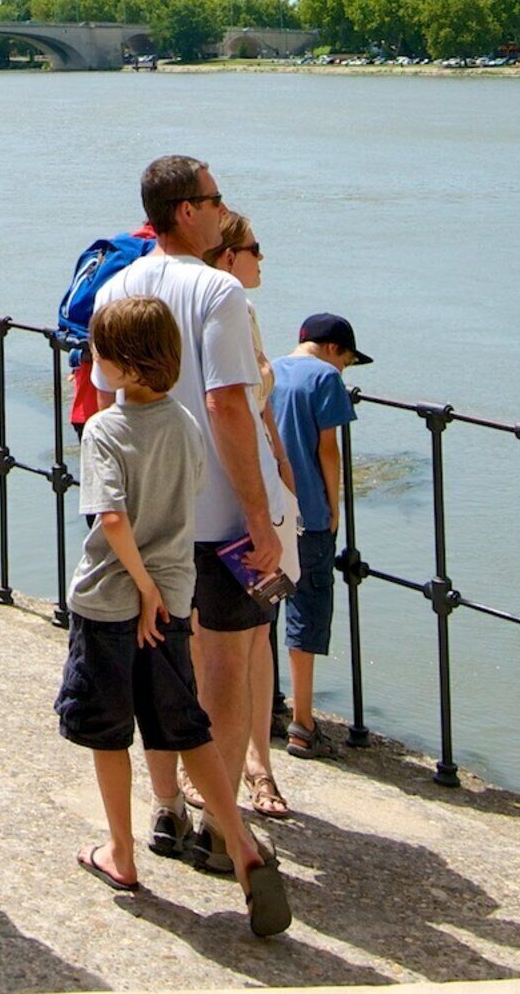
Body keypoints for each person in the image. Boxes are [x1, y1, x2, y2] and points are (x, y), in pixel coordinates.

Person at [58, 296, 290, 937]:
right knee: (181, 725)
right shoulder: (186, 422)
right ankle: (240, 843)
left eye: (98, 353)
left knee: (109, 732)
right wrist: (161, 590)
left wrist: (140, 588)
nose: (91, 362)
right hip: (177, 592)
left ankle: (122, 852)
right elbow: (185, 496)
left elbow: (110, 518)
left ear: (125, 367)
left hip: (112, 600)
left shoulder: (104, 430)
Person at [88, 155, 283, 887]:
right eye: (215, 196)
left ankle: (165, 806)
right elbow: (230, 403)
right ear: (188, 211)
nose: (223, 207)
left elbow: (108, 396)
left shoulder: (116, 288)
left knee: (158, 667)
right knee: (224, 667)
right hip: (216, 514)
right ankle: (215, 821)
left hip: (145, 519)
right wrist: (260, 517)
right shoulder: (220, 292)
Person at [202, 211, 303, 820]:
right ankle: (215, 771)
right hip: (221, 497)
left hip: (262, 487)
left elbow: (260, 408)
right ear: (228, 255)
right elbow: (224, 404)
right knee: (215, 641)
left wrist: (284, 475)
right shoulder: (219, 308)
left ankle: (259, 762)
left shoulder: (246, 313)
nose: (262, 258)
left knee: (259, 631)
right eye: (254, 248)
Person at [270, 312, 368, 760]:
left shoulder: (267, 370)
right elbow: (327, 450)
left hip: (269, 512)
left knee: (263, 610)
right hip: (308, 514)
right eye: (347, 360)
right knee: (306, 612)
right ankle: (303, 722)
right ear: (333, 350)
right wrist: (334, 509)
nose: (344, 368)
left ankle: (267, 703)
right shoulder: (325, 377)